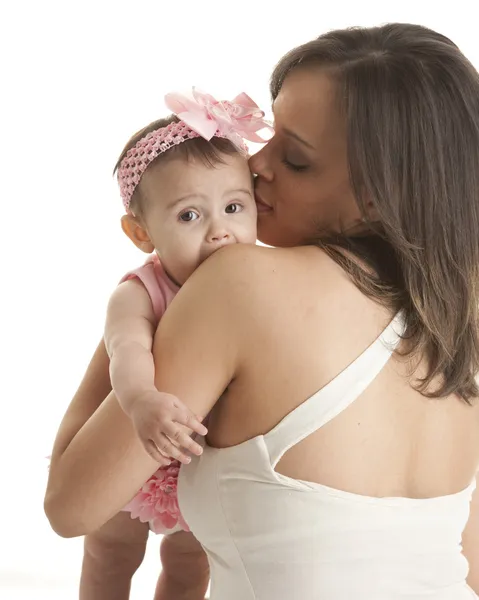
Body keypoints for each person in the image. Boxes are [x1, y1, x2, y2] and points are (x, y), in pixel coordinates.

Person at [45, 23, 479, 599]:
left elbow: (71, 506)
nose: (254, 165)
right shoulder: (454, 329)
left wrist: (140, 308)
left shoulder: (240, 283)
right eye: (268, 137)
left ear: (380, 191)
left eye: (295, 159)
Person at [52, 88, 270, 600]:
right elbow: (127, 352)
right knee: (110, 555)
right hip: (136, 445)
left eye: (234, 207)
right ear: (141, 232)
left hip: (202, 459)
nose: (220, 231)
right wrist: (141, 401)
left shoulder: (259, 281)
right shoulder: (140, 292)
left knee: (190, 566)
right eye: (190, 216)